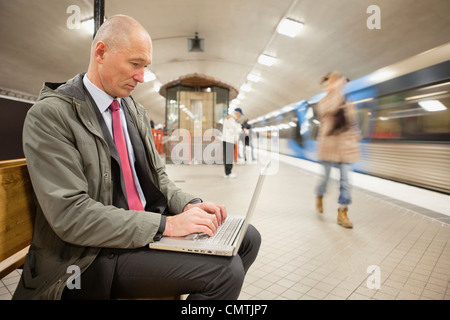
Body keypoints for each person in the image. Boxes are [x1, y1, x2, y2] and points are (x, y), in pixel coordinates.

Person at [13, 15, 260, 300]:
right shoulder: (53, 115)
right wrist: (168, 225)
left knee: (248, 238)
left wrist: (192, 205)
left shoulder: (133, 110)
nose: (142, 77)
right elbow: (72, 215)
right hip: (92, 255)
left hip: (142, 231)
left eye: (146, 67)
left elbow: (161, 180)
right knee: (225, 272)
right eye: (135, 64)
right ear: (101, 52)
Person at [315, 71, 360, 228]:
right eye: (328, 83)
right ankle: (319, 195)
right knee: (325, 179)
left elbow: (352, 121)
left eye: (333, 82)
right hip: (328, 146)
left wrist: (355, 141)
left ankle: (343, 213)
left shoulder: (348, 100)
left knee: (345, 182)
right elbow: (332, 108)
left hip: (345, 147)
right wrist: (337, 90)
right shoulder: (323, 102)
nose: (331, 85)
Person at [222, 108, 244, 178]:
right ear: (237, 113)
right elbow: (232, 129)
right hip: (228, 140)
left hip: (231, 140)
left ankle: (228, 172)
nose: (240, 116)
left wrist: (238, 128)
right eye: (240, 115)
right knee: (228, 157)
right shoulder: (230, 119)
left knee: (229, 157)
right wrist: (239, 129)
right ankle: (228, 173)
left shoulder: (234, 120)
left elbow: (237, 127)